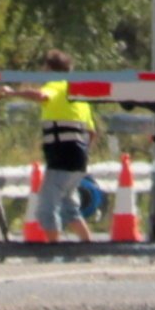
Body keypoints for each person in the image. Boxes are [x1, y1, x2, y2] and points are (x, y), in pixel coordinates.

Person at [33, 52, 106, 239]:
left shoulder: (55, 86)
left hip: (61, 157)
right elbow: (92, 132)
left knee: (46, 208)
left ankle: (54, 249)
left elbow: (41, 96)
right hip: (78, 159)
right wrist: (82, 153)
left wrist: (12, 93)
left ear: (49, 69)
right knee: (69, 207)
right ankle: (86, 245)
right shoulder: (78, 95)